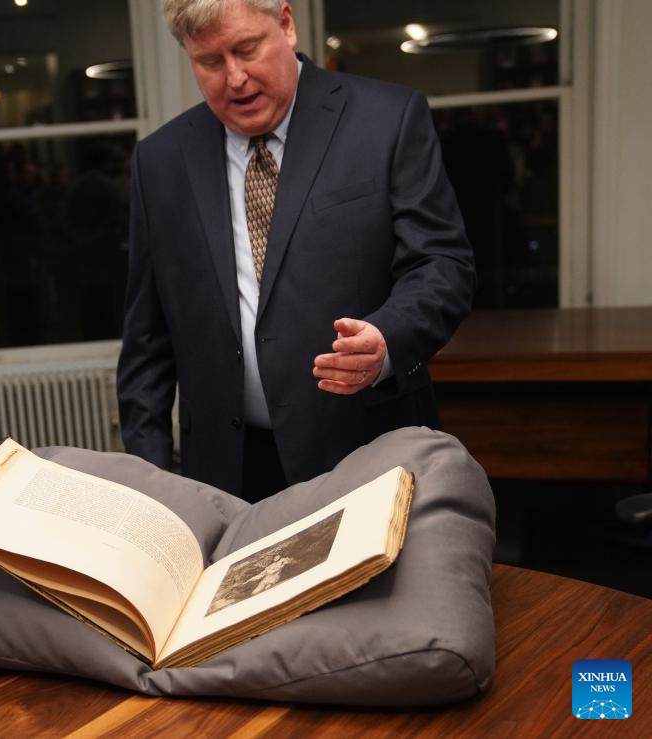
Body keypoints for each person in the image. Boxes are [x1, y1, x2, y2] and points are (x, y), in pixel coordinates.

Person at [117, 1, 475, 502]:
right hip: (227, 476)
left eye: (246, 49)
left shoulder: (386, 120)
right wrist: (148, 485)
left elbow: (442, 265)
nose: (235, 79)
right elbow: (147, 342)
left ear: (285, 24)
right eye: (211, 62)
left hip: (366, 450)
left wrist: (387, 338)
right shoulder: (161, 161)